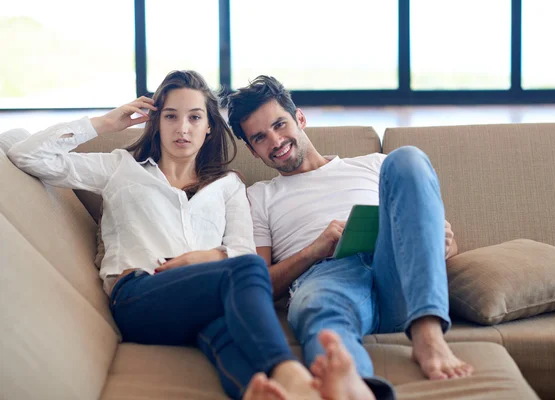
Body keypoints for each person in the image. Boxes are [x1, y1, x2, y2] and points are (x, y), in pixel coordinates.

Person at [7, 70, 382, 400]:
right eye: (170, 116)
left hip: (203, 299)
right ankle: (291, 373)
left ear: (208, 128)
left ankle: (265, 392)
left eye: (194, 117)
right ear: (156, 123)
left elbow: (240, 250)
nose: (182, 128)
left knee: (227, 336)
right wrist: (107, 123)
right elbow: (27, 155)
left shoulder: (229, 186)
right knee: (248, 271)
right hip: (139, 295)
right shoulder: (120, 168)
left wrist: (208, 258)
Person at [225, 75, 475, 383]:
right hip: (327, 278)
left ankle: (427, 331)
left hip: (396, 270)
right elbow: (258, 283)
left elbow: (447, 244)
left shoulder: (373, 165)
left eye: (279, 125)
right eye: (260, 138)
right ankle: (352, 385)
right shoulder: (259, 196)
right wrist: (313, 251)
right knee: (320, 308)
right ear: (252, 150)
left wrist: (440, 244)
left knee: (408, 158)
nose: (275, 142)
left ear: (299, 118)